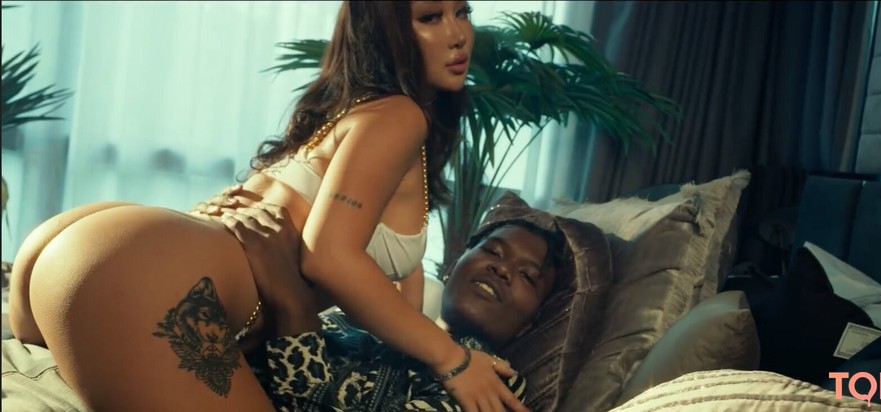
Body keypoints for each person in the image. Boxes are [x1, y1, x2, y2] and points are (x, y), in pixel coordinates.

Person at [7, 1, 526, 411]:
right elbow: (329, 257)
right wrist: (455, 360)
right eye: (430, 17)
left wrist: (432, 340)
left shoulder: (350, 114)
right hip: (146, 279)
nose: (458, 34)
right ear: (383, 29)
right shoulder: (400, 117)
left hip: (80, 248)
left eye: (463, 12)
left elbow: (388, 305)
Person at [219, 201, 564, 411]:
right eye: (492, 251)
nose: (502, 269)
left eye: (527, 276)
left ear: (529, 324)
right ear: (451, 267)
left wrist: (290, 302)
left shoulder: (498, 384)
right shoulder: (365, 325)